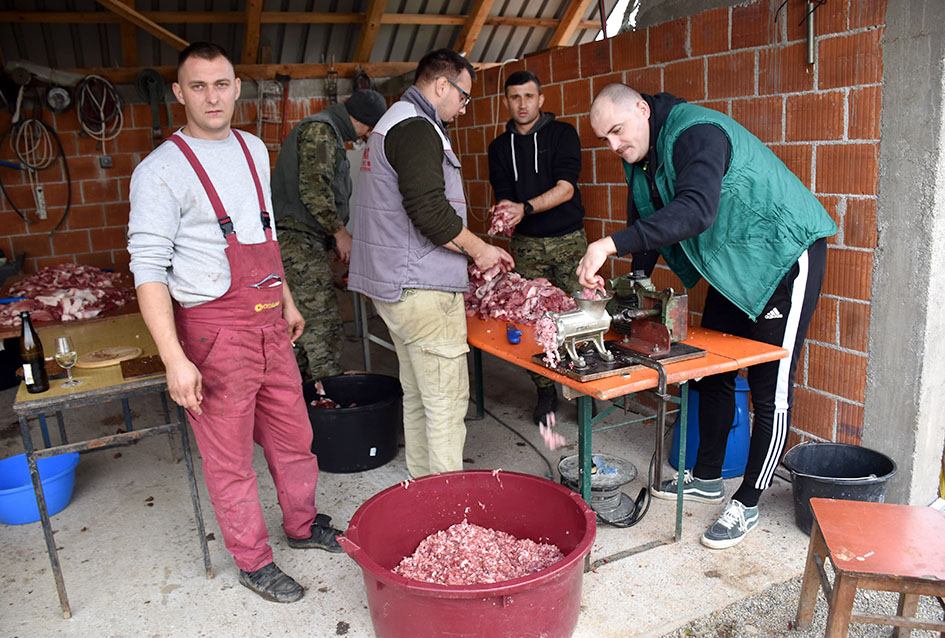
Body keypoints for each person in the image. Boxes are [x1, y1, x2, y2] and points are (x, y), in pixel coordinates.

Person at [127, 42, 344, 604]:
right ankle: (253, 560)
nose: (211, 96)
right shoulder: (159, 171)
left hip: (271, 320)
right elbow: (147, 269)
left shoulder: (252, 148)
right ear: (179, 93)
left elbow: (262, 236)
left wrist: (288, 300)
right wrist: (176, 359)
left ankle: (302, 525)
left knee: (294, 437)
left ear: (237, 87)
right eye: (198, 86)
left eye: (220, 84)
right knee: (229, 457)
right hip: (214, 332)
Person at [578, 84, 837, 549]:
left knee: (769, 385)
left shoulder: (696, 132)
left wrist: (608, 243)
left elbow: (695, 210)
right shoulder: (642, 155)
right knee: (709, 370)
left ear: (641, 109)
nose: (613, 145)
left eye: (617, 131)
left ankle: (750, 501)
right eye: (605, 139)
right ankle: (707, 477)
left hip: (783, 257)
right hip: (734, 265)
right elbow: (646, 214)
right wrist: (636, 280)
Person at [348, 48, 514, 479]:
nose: (462, 109)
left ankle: (424, 493)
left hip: (393, 285)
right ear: (442, 85)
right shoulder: (417, 128)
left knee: (420, 396)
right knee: (445, 403)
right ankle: (447, 511)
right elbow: (428, 210)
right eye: (463, 97)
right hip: (420, 287)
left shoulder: (389, 124)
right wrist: (480, 250)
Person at [487, 70, 587, 427]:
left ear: (541, 99)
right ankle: (544, 390)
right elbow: (503, 196)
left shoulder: (562, 134)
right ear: (506, 101)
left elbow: (566, 189)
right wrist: (502, 215)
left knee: (579, 314)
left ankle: (584, 387)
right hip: (526, 245)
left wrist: (523, 208)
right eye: (515, 97)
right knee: (533, 319)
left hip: (568, 240)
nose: (523, 103)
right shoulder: (499, 147)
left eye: (529, 96)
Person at [271, 89, 387, 382]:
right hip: (297, 240)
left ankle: (302, 399)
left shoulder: (327, 130)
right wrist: (340, 233)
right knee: (322, 324)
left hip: (302, 239)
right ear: (363, 121)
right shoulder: (321, 131)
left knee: (300, 323)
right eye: (369, 129)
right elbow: (314, 190)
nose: (366, 136)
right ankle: (331, 397)